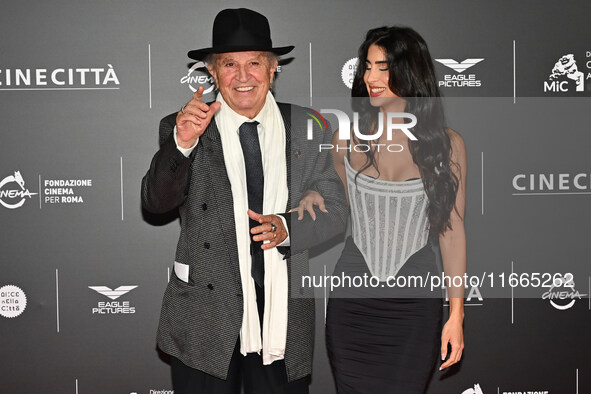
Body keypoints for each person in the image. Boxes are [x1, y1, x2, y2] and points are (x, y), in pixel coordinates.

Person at [141, 8, 347, 394]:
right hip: (205, 313)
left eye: (254, 63)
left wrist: (287, 227)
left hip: (281, 316)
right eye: (229, 64)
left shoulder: (307, 126)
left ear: (273, 70)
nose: (242, 76)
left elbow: (335, 211)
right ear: (212, 72)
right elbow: (155, 203)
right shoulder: (184, 125)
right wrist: (183, 144)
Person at [298, 26, 466, 393]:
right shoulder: (347, 137)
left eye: (383, 68)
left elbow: (452, 233)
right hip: (351, 302)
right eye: (367, 67)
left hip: (415, 303)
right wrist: (313, 192)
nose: (371, 78)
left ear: (410, 72)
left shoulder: (447, 146)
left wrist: (457, 314)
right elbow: (332, 198)